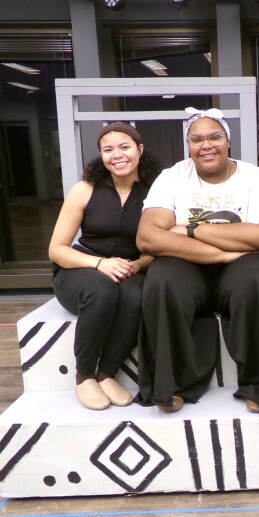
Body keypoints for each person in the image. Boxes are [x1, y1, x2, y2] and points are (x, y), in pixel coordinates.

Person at [135, 107, 259, 414]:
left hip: (241, 269)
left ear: (228, 141)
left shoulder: (255, 178)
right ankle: (172, 385)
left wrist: (189, 229)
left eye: (215, 137)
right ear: (188, 144)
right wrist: (228, 248)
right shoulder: (172, 178)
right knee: (162, 278)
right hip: (189, 266)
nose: (206, 145)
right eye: (197, 139)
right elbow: (148, 238)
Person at [49, 122, 162, 411]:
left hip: (131, 267)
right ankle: (85, 375)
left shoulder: (157, 192)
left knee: (137, 296)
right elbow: (57, 250)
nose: (117, 155)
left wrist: (138, 264)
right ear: (100, 155)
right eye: (108, 150)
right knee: (102, 291)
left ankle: (107, 373)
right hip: (81, 268)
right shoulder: (84, 190)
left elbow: (165, 242)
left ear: (139, 150)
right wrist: (100, 264)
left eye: (124, 147)